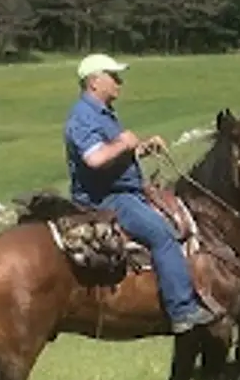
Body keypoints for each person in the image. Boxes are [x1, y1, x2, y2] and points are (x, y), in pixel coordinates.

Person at [64, 53, 214, 334]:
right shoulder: (83, 116)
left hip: (124, 190)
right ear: (94, 81)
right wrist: (124, 142)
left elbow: (113, 155)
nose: (119, 81)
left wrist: (141, 147)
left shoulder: (102, 113)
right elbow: (94, 159)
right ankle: (182, 310)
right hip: (107, 197)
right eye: (114, 76)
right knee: (162, 235)